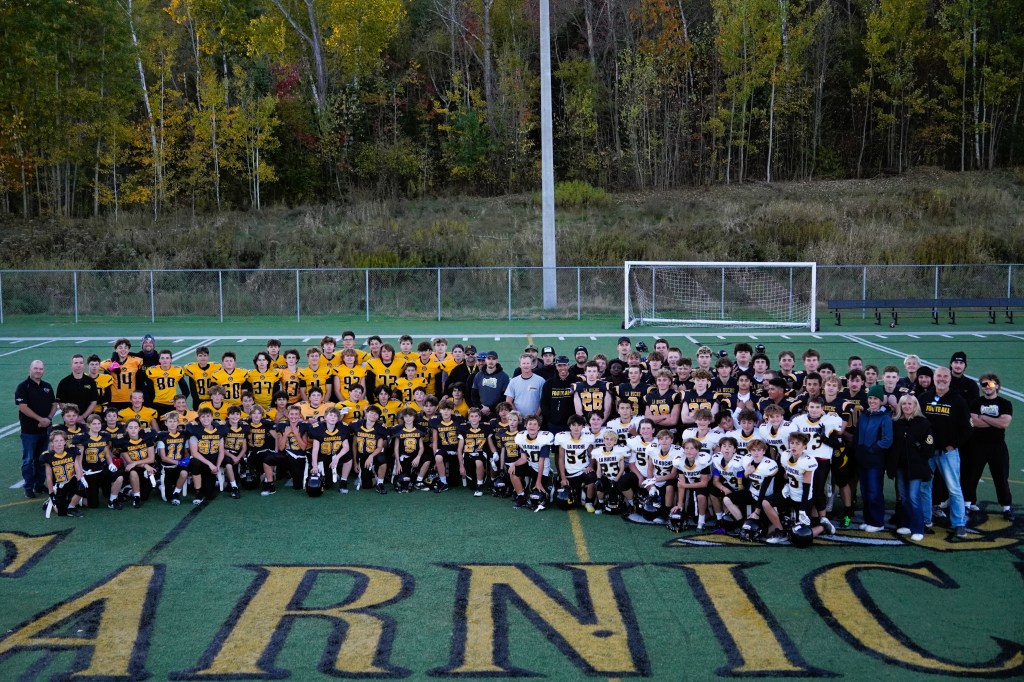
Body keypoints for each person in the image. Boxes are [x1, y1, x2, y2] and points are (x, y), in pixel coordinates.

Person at [920, 367, 972, 540]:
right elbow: (917, 422)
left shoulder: (958, 400)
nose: (941, 379)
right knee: (924, 487)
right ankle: (925, 520)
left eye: (945, 376)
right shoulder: (924, 398)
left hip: (947, 452)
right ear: (934, 378)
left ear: (950, 379)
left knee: (954, 488)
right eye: (939, 376)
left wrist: (953, 445)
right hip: (927, 452)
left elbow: (967, 428)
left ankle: (959, 523)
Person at [967, 374, 1014, 520]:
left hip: (997, 446)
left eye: (991, 384)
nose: (987, 387)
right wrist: (995, 421)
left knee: (1001, 477)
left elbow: (1004, 423)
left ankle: (1006, 507)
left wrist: (984, 417)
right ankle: (967, 504)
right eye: (984, 384)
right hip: (977, 445)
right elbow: (974, 422)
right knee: (971, 476)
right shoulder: (975, 402)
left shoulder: (1005, 403)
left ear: (997, 386)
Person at [888, 395, 933, 541]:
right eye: (904, 404)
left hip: (916, 467)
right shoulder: (896, 422)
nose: (907, 406)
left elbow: (929, 446)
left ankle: (918, 528)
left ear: (915, 406)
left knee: (914, 496)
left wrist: (919, 458)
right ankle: (906, 524)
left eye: (910, 404)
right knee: (904, 496)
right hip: (900, 467)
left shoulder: (924, 423)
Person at [15, 359, 57, 498]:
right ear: (30, 369)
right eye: (36, 368)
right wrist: (40, 419)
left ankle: (39, 484)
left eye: (40, 369)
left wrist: (48, 419)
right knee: (28, 460)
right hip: (29, 431)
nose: (38, 371)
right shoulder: (23, 387)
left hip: (45, 430)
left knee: (42, 459)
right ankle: (28, 487)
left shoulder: (47, 386)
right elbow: (23, 407)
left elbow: (54, 405)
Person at [856, 385, 894, 532]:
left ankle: (878, 522)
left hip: (876, 460)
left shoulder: (885, 417)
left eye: (875, 398)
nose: (872, 401)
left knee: (874, 492)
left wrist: (873, 449)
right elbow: (859, 436)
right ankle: (868, 520)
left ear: (881, 400)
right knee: (865, 491)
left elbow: (887, 440)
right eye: (870, 398)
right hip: (863, 460)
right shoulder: (864, 415)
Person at [40, 430, 85, 517]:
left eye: (61, 440)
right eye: (56, 441)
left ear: (65, 442)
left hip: (70, 480)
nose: (59, 443)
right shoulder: (48, 456)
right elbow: (49, 477)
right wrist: (51, 493)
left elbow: (77, 467)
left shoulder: (71, 452)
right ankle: (50, 502)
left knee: (82, 488)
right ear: (52, 443)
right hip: (58, 485)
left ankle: (71, 507)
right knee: (61, 513)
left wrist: (80, 480)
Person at [56, 354, 99, 421]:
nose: (78, 365)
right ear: (71, 365)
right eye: (76, 363)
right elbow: (61, 403)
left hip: (87, 420)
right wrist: (72, 417)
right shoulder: (64, 383)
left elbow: (93, 402)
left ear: (84, 365)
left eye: (81, 363)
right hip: (70, 421)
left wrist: (83, 417)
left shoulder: (91, 382)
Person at [539, 356, 576, 433]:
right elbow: (544, 402)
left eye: (564, 365)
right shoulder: (549, 383)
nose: (562, 368)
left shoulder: (576, 382)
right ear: (556, 366)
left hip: (572, 424)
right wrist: (551, 418)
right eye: (559, 365)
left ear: (569, 366)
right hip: (553, 424)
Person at [471, 351, 509, 418]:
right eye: (489, 358)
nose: (491, 361)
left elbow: (504, 397)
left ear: (497, 361)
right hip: (481, 413)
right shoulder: (478, 375)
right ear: (485, 360)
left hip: (497, 413)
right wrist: (481, 407)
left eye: (493, 359)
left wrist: (490, 409)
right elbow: (474, 395)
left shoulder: (504, 377)